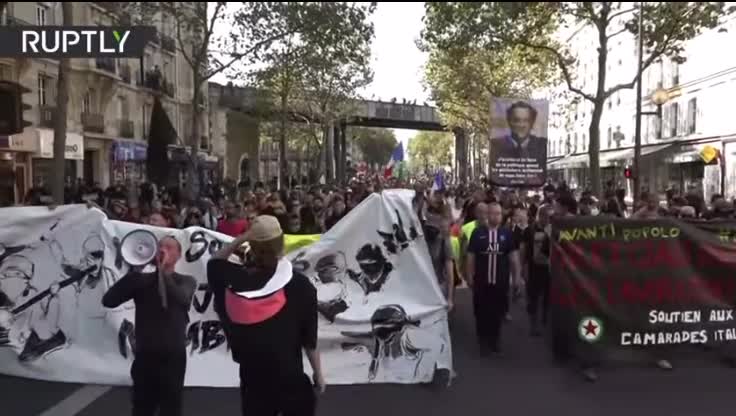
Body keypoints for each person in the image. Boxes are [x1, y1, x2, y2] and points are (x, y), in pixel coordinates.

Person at [207, 215, 325, 416]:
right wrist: (319, 374)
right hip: (290, 378)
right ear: (281, 242)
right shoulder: (301, 285)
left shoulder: (233, 281)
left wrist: (242, 237)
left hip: (253, 379)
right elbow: (309, 340)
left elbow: (215, 262)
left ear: (252, 245)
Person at [102, 236, 196, 416]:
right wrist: (134, 272)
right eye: (159, 246)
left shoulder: (186, 281)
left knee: (171, 407)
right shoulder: (140, 280)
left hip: (173, 356)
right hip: (145, 355)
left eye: (169, 247)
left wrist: (162, 272)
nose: (163, 250)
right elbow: (109, 300)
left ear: (178, 255)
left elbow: (181, 298)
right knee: (142, 407)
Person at [466, 202, 522, 355]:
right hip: (481, 281)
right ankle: (482, 340)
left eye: (499, 213)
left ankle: (494, 340)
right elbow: (471, 257)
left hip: (500, 281)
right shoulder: (477, 233)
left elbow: (514, 258)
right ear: (487, 215)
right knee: (481, 312)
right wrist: (469, 275)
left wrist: (517, 278)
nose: (496, 216)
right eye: (493, 213)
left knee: (497, 313)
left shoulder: (507, 234)